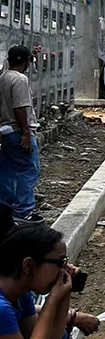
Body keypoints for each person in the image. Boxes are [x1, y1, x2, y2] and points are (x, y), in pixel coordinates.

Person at [0, 202, 76, 339]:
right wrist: (52, 300)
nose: (64, 269)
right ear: (28, 265)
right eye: (59, 262)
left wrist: (63, 296)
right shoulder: (1, 309)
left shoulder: (20, 293)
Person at [0, 46, 42, 224]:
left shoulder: (3, 77)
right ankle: (23, 211)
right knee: (29, 169)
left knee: (7, 170)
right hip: (18, 131)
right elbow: (20, 107)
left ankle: (5, 208)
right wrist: (26, 133)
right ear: (26, 61)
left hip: (6, 131)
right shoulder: (20, 80)